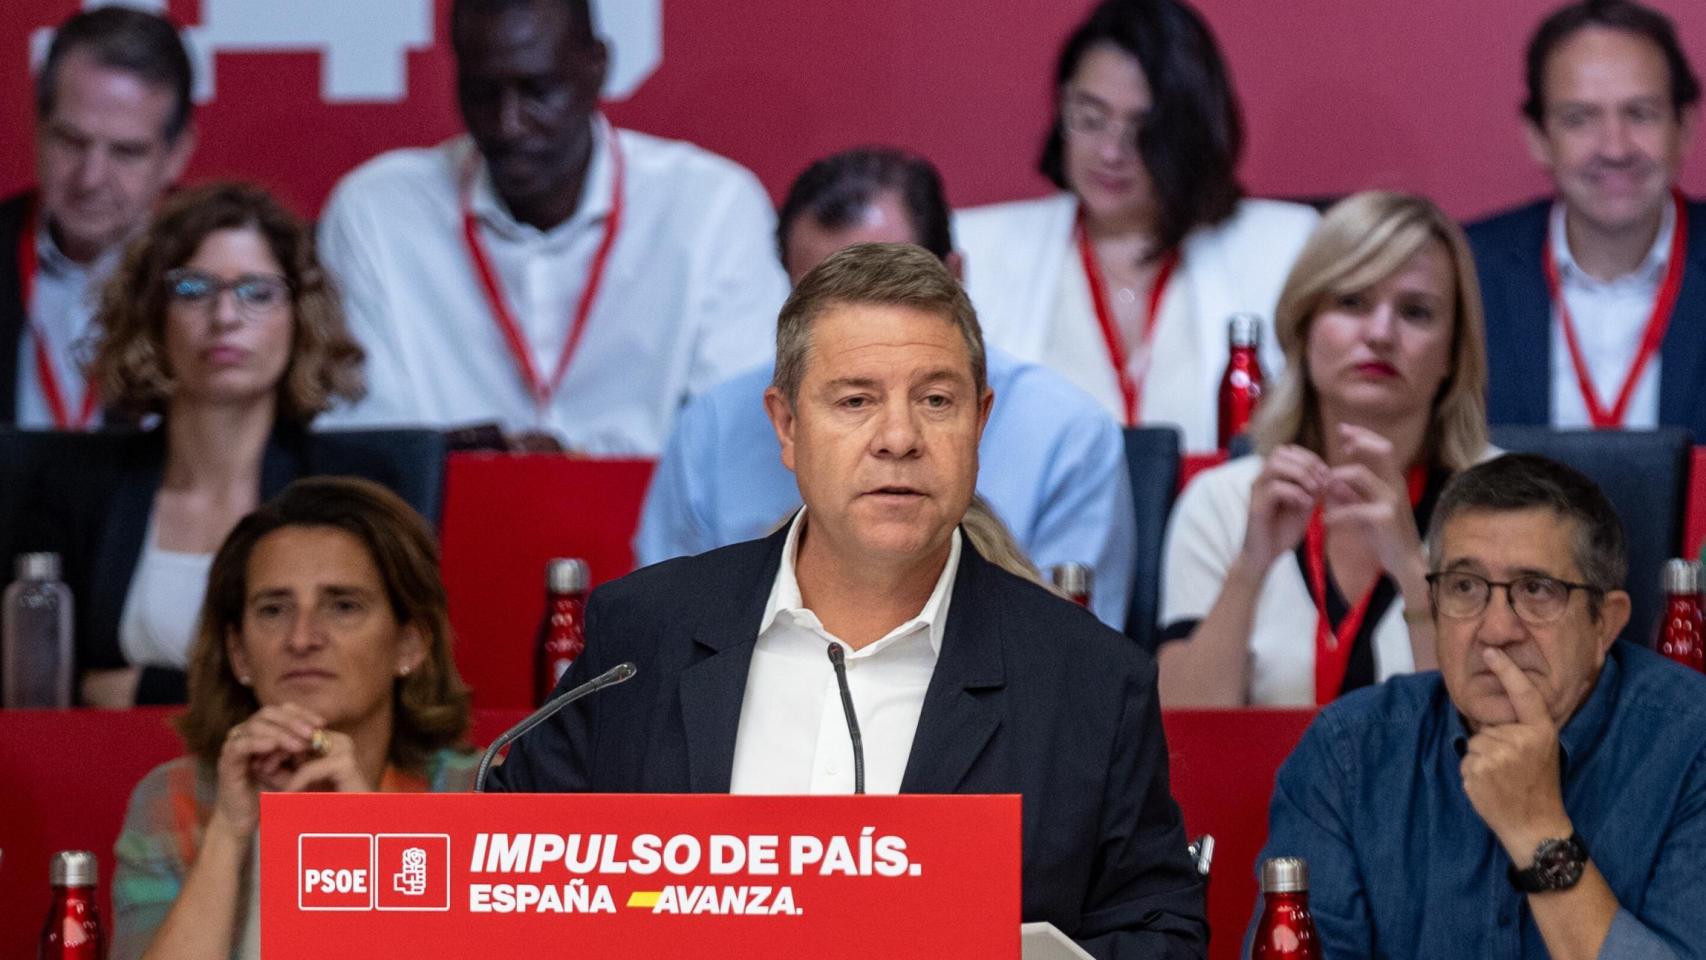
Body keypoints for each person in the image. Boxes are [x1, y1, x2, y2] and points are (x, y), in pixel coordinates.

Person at [492, 243, 1207, 957]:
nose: (898, 438)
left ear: (980, 422)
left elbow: (1160, 932)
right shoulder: (645, 635)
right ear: (787, 427)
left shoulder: (1088, 680)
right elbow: (513, 880)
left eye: (935, 400)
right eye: (856, 400)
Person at [634, 147, 1139, 630]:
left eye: (893, 288)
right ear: (784, 423)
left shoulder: (1066, 433)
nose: (896, 438)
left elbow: (1075, 665)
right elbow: (667, 643)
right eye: (823, 299)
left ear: (955, 278)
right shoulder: (714, 427)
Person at [1251, 453, 1706, 958]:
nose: (1496, 631)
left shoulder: (1691, 747)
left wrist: (1538, 831)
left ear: (1606, 622)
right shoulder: (1348, 755)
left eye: (1536, 590)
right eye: (1465, 588)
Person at [316, 0, 787, 454]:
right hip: (430, 530)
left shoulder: (710, 206)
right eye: (483, 93)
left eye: (538, 91)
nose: (509, 124)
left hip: (669, 534)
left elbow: (738, 440)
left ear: (598, 67)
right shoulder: (377, 211)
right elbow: (366, 443)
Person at [13, 182, 393, 707]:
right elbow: (44, 688)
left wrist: (147, 688)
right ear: (151, 312)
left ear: (301, 315)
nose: (225, 318)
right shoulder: (76, 490)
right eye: (193, 289)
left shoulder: (350, 492)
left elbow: (360, 682)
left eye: (257, 292)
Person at [111, 476, 476, 960]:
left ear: (409, 644)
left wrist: (372, 834)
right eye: (274, 609)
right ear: (239, 653)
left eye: (343, 606)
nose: (302, 637)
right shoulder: (176, 797)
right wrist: (229, 831)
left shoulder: (473, 793)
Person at [1157, 192, 1491, 706]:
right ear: (1303, 326)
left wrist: (1410, 567)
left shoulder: (1508, 503)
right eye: (1352, 302)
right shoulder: (1222, 501)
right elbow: (1182, 733)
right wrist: (1250, 568)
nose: (1381, 334)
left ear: (1453, 351)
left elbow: (1494, 732)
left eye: (1416, 312)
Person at [955, 0, 1317, 452]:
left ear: (1190, 132)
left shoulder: (1280, 247)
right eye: (1089, 118)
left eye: (1142, 130)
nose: (1110, 151)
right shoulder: (976, 250)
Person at [1468, 0, 1706, 437]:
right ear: (1539, 137)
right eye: (1580, 119)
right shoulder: (1466, 272)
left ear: (1684, 127)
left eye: (1641, 113)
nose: (1615, 149)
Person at [1, 6, 194, 428]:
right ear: (37, 129)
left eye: (126, 152)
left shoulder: (214, 274)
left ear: (177, 154)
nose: (91, 179)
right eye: (71, 141)